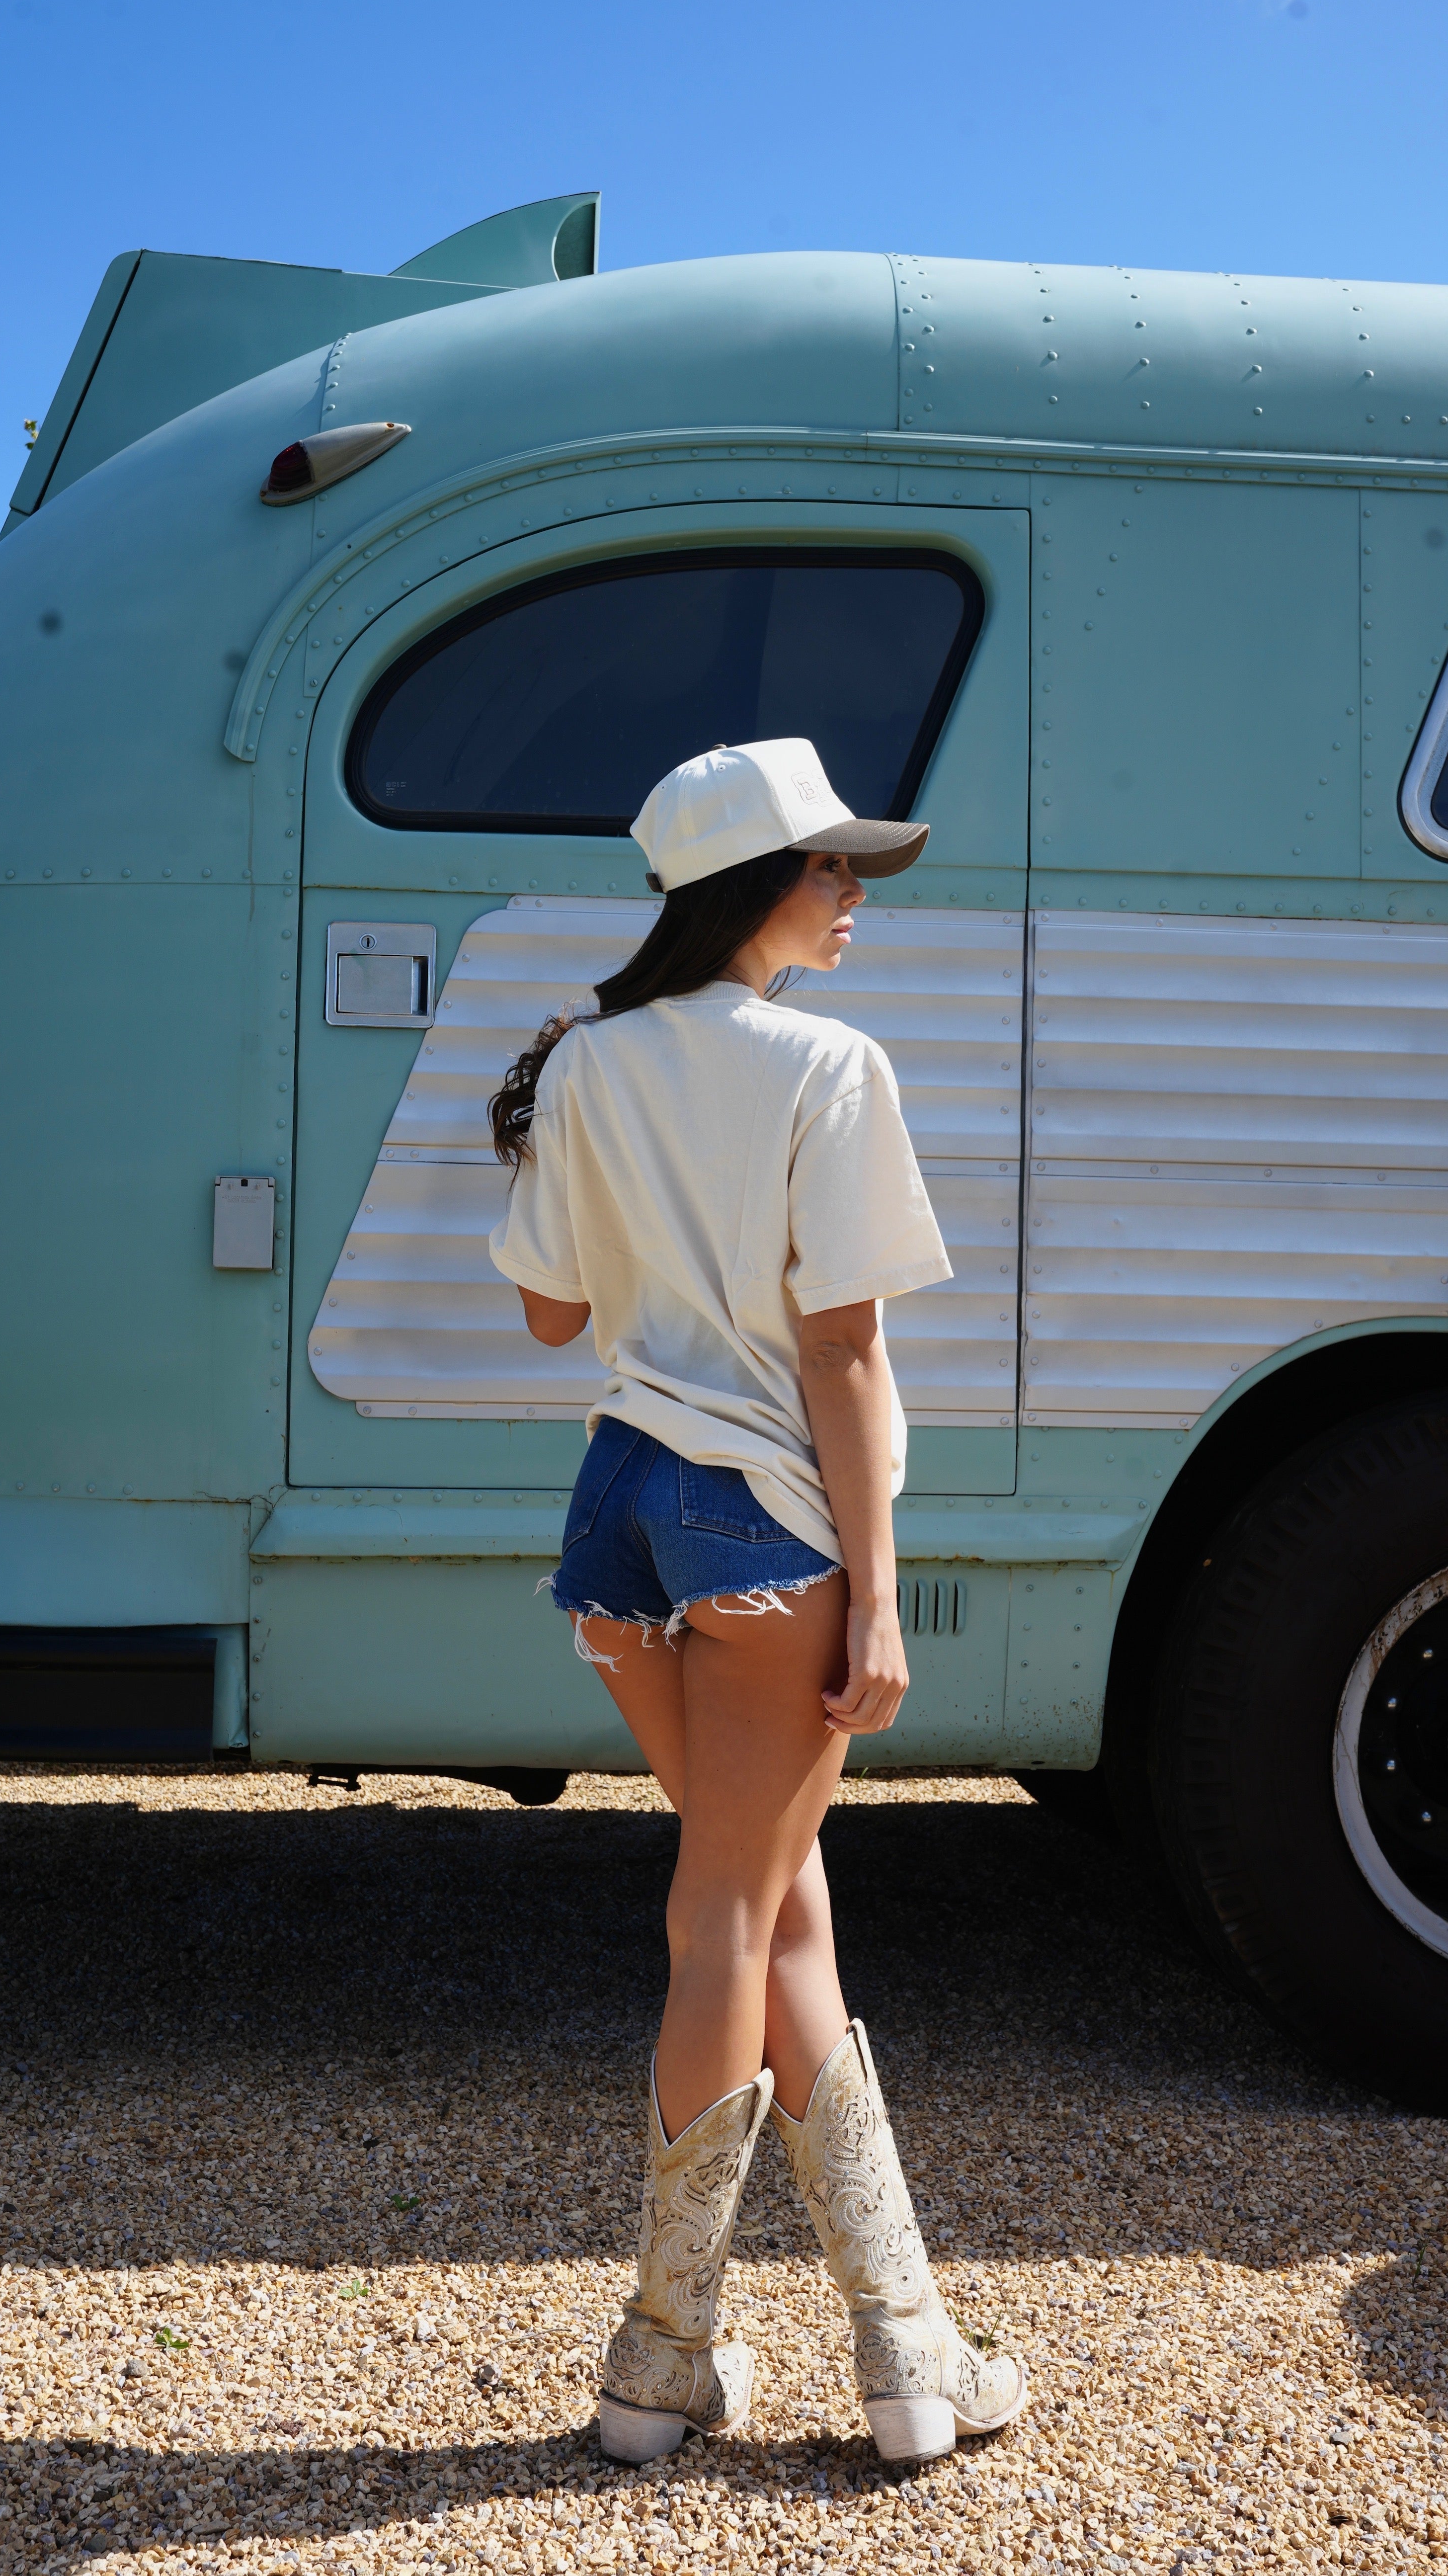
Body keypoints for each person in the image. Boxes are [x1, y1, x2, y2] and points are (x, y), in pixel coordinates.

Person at [487, 738, 1026, 2467]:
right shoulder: (829, 1063)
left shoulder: (587, 1064)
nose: (854, 895)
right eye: (829, 869)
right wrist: (879, 1595)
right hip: (765, 1524)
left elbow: (553, 1322)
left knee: (773, 1902)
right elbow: (843, 1347)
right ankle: (664, 2355)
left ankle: (905, 2347)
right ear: (747, 883)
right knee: (729, 1908)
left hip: (623, 1515)